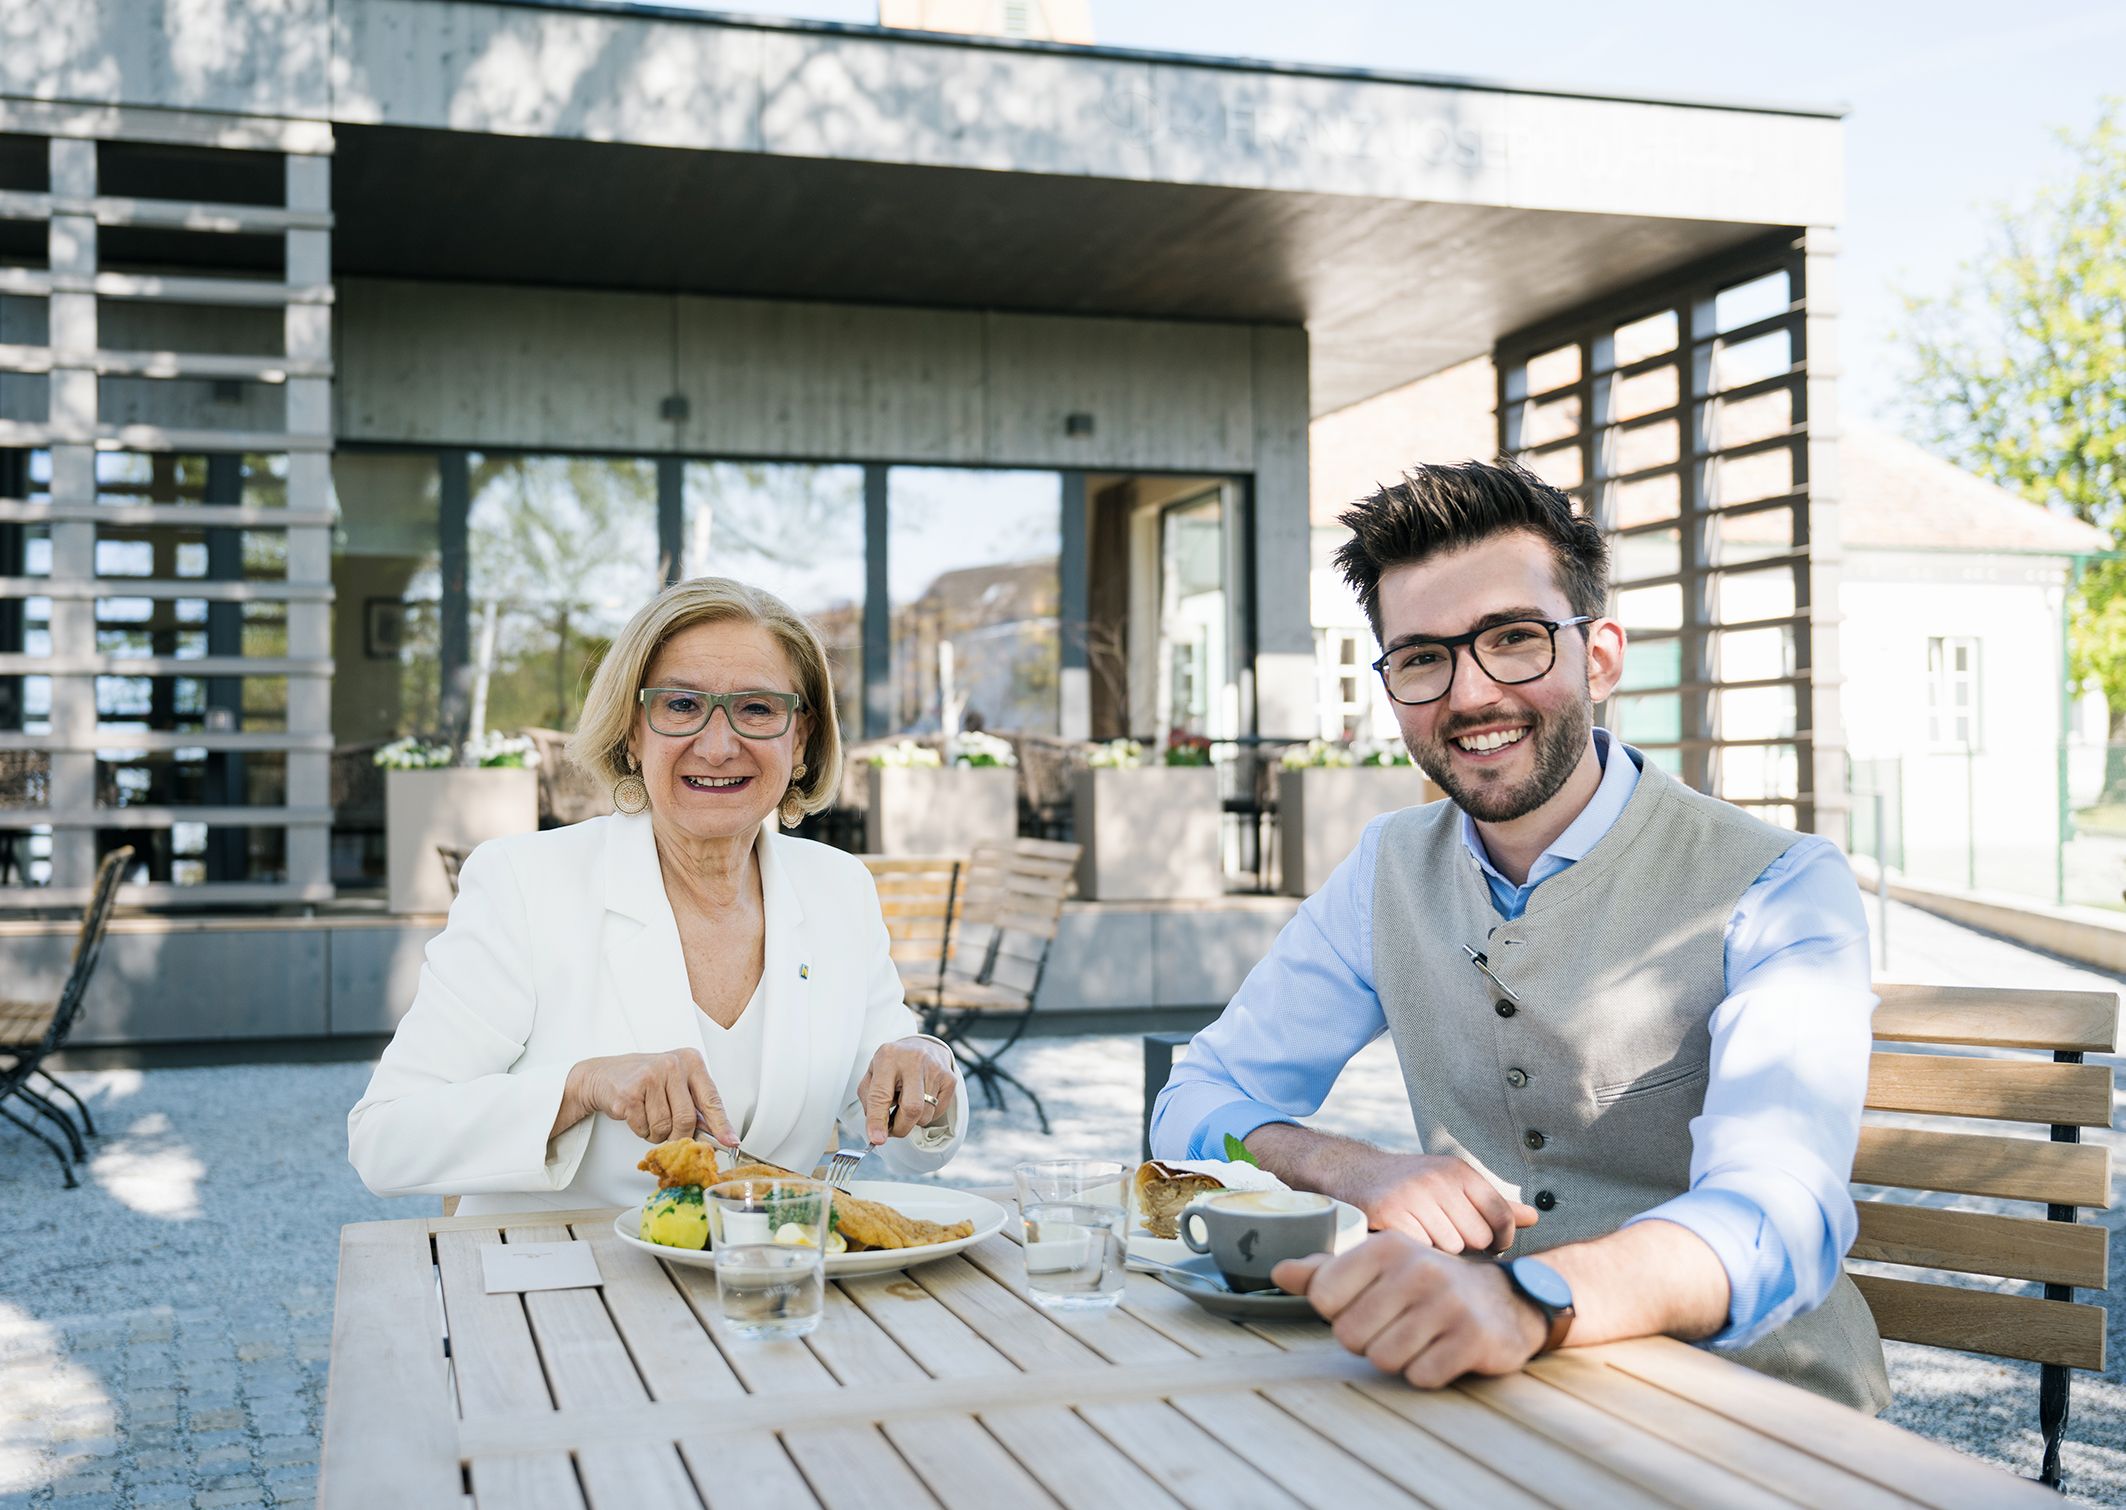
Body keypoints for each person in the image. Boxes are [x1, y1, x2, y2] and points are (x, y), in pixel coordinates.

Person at [1151, 461, 1889, 1411]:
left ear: (1600, 658)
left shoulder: (1781, 885)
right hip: (1485, 1395)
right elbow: (1193, 1102)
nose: (1469, 694)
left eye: (1514, 639)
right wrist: (1350, 1168)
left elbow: (1779, 1218)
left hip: (1755, 1411)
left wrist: (1524, 1297)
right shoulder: (1385, 866)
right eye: (1423, 657)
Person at [349, 578, 965, 1213]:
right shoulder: (523, 883)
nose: (719, 746)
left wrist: (924, 1067)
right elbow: (386, 1139)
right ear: (632, 732)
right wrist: (580, 1087)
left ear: (801, 737)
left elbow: (903, 1125)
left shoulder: (839, 888)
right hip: (564, 1271)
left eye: (757, 709)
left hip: (773, 1268)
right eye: (681, 705)